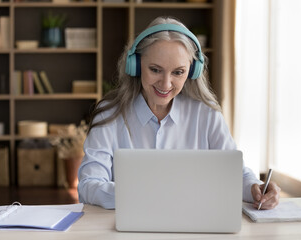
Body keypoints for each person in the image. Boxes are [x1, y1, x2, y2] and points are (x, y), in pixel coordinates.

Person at [78, 16, 280, 210]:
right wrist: (143, 195)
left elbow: (234, 174)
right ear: (136, 65)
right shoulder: (110, 115)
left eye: (178, 72)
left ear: (192, 71)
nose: (166, 84)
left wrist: (255, 188)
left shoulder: (207, 115)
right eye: (155, 70)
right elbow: (89, 185)